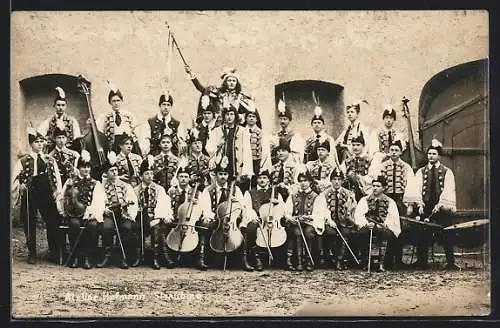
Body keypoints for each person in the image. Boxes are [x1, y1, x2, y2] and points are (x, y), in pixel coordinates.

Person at [11, 127, 63, 264]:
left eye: (42, 141)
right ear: (31, 144)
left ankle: (54, 252)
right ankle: (32, 253)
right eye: (37, 142)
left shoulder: (50, 160)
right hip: (31, 192)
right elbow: (14, 179)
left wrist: (57, 191)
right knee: (29, 222)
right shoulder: (23, 161)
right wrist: (20, 186)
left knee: (52, 221)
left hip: (47, 192)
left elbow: (57, 177)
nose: (40, 144)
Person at [411, 139, 459, 270]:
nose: (431, 156)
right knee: (422, 232)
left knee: (446, 233)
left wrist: (441, 205)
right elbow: (417, 188)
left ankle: (450, 262)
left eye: (434, 154)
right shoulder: (421, 171)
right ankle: (422, 261)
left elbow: (449, 189)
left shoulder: (447, 171)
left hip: (441, 207)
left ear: (439, 156)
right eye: (429, 154)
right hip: (426, 206)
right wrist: (419, 204)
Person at [197, 156, 250, 270]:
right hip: (215, 218)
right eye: (220, 174)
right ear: (216, 176)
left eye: (225, 174)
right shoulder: (208, 190)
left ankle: (244, 259)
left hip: (232, 219)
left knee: (244, 228)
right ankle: (202, 258)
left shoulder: (235, 189)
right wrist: (209, 217)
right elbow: (205, 207)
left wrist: (237, 205)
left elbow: (243, 206)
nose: (223, 176)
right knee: (204, 226)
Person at [57, 150, 104, 269]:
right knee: (74, 224)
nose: (86, 170)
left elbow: (99, 201)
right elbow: (62, 197)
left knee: (92, 225)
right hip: (74, 214)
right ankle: (76, 256)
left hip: (90, 214)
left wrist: (91, 213)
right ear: (78, 168)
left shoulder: (96, 183)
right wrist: (63, 212)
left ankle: (88, 256)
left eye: (88, 167)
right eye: (83, 167)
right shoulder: (71, 181)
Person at [378, 139, 418, 269]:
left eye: (396, 150)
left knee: (399, 229)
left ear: (400, 152)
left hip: (400, 201)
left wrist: (409, 204)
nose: (394, 152)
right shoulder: (383, 166)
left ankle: (398, 259)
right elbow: (379, 183)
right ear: (388, 152)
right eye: (392, 150)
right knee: (388, 228)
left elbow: (410, 186)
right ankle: (387, 260)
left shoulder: (406, 167)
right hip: (387, 200)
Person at [96, 151, 138, 269]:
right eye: (111, 171)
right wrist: (104, 209)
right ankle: (107, 255)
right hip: (109, 214)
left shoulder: (126, 185)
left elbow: (132, 200)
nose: (114, 173)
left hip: (124, 213)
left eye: (116, 170)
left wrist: (128, 207)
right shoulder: (101, 186)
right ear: (106, 173)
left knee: (126, 227)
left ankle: (122, 256)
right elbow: (98, 201)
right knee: (107, 228)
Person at [134, 155, 175, 269]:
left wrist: (157, 218)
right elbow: (133, 206)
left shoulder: (159, 189)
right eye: (147, 174)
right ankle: (138, 256)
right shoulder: (135, 190)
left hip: (156, 217)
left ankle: (155, 258)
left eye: (151, 173)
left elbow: (163, 205)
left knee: (157, 228)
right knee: (136, 227)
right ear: (141, 176)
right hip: (141, 217)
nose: (150, 176)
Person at [312, 168, 358, 270]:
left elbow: (353, 209)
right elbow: (321, 210)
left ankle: (340, 260)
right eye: (334, 179)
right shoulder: (324, 194)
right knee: (330, 233)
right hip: (330, 222)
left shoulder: (349, 194)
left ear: (342, 181)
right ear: (331, 180)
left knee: (345, 233)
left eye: (339, 179)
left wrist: (349, 213)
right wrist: (328, 220)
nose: (337, 182)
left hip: (345, 222)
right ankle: (329, 258)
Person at [354, 175, 401, 272]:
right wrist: (366, 223)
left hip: (383, 225)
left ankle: (382, 263)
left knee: (386, 234)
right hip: (369, 225)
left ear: (383, 188)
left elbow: (393, 217)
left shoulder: (390, 201)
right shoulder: (365, 200)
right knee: (362, 233)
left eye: (378, 186)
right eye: (373, 185)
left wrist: (384, 224)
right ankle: (366, 262)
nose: (375, 188)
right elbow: (359, 215)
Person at [242, 168, 286, 271]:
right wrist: (253, 217)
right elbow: (247, 207)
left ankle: (281, 259)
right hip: (256, 218)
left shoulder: (275, 192)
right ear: (256, 180)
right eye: (260, 178)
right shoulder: (250, 192)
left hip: (272, 220)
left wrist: (277, 204)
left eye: (264, 178)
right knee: (251, 228)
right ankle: (256, 258)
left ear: (269, 180)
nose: (262, 180)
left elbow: (283, 208)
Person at [185, 66, 256, 127]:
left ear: (237, 83)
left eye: (234, 81)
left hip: (234, 125)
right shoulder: (219, 93)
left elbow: (250, 111)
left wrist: (240, 117)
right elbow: (202, 89)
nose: (231, 83)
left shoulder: (240, 97)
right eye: (229, 80)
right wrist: (191, 74)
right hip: (218, 124)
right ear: (225, 82)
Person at [282, 168, 323, 272]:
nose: (303, 183)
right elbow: (286, 212)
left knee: (309, 232)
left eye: (305, 180)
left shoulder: (316, 196)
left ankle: (309, 260)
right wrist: (291, 218)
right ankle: (298, 261)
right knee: (297, 232)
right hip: (296, 223)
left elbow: (319, 213)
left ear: (310, 182)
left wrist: (309, 217)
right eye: (301, 181)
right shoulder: (293, 195)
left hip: (309, 222)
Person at [205, 105, 253, 183]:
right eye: (227, 114)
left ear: (235, 116)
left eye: (232, 114)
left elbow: (247, 151)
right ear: (224, 116)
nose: (229, 117)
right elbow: (210, 149)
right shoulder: (217, 131)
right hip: (221, 165)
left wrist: (246, 170)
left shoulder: (243, 131)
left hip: (237, 165)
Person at [96, 81, 141, 155]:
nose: (116, 103)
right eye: (113, 101)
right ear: (110, 102)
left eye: (118, 100)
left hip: (128, 143)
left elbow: (136, 131)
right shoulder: (105, 116)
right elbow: (100, 133)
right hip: (113, 144)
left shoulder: (129, 115)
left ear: (121, 101)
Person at [137, 92, 187, 157]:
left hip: (173, 159)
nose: (166, 107)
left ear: (171, 106)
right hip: (154, 157)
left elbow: (181, 143)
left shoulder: (177, 124)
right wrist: (148, 156)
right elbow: (144, 143)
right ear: (159, 105)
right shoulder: (149, 122)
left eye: (168, 105)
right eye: (164, 104)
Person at [37, 86, 81, 153]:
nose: (60, 108)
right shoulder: (48, 121)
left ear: (66, 106)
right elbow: (39, 135)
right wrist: (47, 141)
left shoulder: (73, 121)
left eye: (63, 105)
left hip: (69, 152)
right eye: (58, 105)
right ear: (54, 106)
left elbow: (77, 139)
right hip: (53, 152)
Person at [339, 133, 378, 201]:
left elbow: (373, 177)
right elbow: (341, 175)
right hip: (349, 192)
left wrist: (359, 178)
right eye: (353, 145)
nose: (355, 147)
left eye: (358, 145)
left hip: (366, 191)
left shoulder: (370, 160)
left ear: (363, 146)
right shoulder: (347, 161)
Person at [242, 107, 271, 191]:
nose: (251, 118)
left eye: (253, 117)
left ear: (256, 119)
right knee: (244, 181)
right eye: (249, 116)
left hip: (256, 161)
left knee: (255, 180)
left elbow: (265, 149)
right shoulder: (242, 131)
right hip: (244, 160)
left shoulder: (261, 132)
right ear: (246, 119)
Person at [270, 98, 305, 164]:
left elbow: (298, 154)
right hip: (276, 165)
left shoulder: (295, 136)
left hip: (290, 165)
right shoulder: (275, 135)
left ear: (289, 120)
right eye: (281, 119)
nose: (282, 121)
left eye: (285, 119)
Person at [371, 105, 407, 169]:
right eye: (387, 118)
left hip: (395, 157)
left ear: (394, 120)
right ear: (383, 119)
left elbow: (402, 148)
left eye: (391, 118)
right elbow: (374, 150)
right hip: (381, 158)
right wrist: (384, 156)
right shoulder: (376, 133)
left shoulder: (398, 134)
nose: (389, 120)